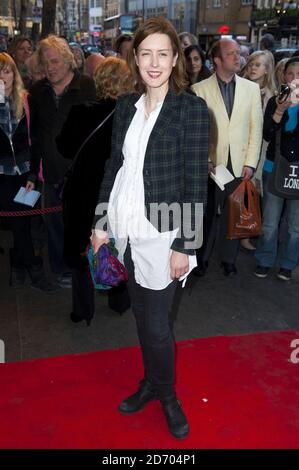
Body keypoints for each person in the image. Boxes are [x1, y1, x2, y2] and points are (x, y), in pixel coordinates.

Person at [91, 17, 209, 439]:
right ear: (135, 58)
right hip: (125, 227)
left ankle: (167, 394)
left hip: (165, 234)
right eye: (146, 54)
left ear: (175, 58)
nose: (154, 62)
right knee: (141, 318)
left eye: (163, 53)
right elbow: (114, 167)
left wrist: (185, 244)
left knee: (158, 326)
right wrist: (100, 224)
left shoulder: (191, 108)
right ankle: (150, 383)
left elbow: (196, 182)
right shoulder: (127, 106)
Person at [56, 57, 134, 325]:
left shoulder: (80, 112)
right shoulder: (131, 116)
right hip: (115, 194)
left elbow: (64, 148)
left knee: (81, 252)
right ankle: (119, 301)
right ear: (127, 82)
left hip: (81, 193)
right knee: (117, 247)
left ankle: (82, 310)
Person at [29, 35, 96, 287]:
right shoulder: (37, 92)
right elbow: (34, 136)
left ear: (68, 61)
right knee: (55, 225)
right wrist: (33, 174)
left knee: (82, 224)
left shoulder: (87, 87)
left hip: (82, 174)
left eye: (55, 61)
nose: (50, 68)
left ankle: (85, 268)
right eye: (45, 63)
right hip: (52, 174)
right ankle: (61, 268)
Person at [192, 39, 263, 275]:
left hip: (240, 163)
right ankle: (200, 260)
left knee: (234, 214)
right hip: (213, 165)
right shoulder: (199, 89)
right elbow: (197, 132)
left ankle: (228, 260)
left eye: (238, 53)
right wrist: (205, 160)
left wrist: (251, 163)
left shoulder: (251, 89)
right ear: (217, 61)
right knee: (207, 214)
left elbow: (256, 128)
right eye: (231, 54)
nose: (237, 58)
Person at [0, 53, 53, 290]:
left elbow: (37, 141)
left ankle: (20, 264)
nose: (3, 77)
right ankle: (31, 267)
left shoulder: (27, 100)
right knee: (18, 223)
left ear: (15, 74)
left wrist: (33, 175)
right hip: (2, 175)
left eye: (7, 71)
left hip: (26, 174)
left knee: (23, 221)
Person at [254, 57, 299, 281]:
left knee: (295, 224)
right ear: (284, 76)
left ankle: (288, 263)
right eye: (290, 74)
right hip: (274, 168)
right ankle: (264, 259)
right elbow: (267, 135)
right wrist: (280, 110)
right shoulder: (275, 101)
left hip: (297, 172)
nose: (295, 79)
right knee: (270, 221)